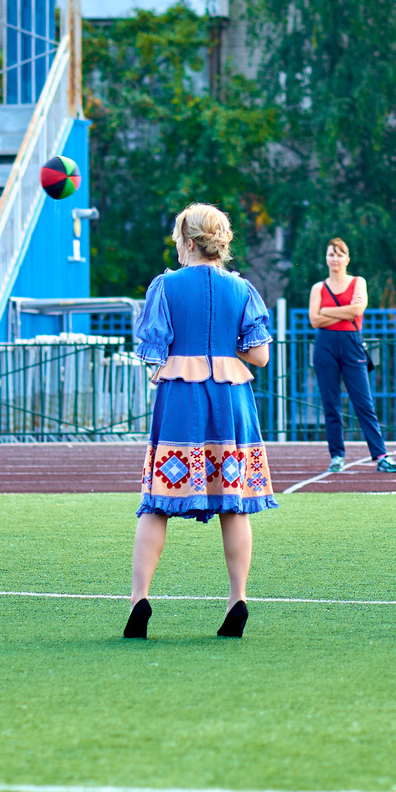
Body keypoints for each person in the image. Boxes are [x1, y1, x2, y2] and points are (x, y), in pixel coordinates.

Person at [124, 203, 276, 641]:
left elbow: (152, 352)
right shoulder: (242, 290)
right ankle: (238, 599)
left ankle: (140, 598)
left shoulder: (165, 287)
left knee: (157, 502)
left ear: (188, 242)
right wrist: (224, 348)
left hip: (181, 400)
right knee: (234, 503)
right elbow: (260, 355)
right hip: (230, 401)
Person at [305, 236, 396, 476]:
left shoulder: (358, 282)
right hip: (325, 345)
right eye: (331, 254)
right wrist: (341, 314)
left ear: (347, 258)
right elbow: (314, 320)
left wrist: (327, 311)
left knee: (363, 402)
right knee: (331, 404)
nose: (334, 258)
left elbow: (358, 309)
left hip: (352, 343)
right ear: (326, 258)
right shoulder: (319, 287)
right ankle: (337, 456)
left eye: (339, 254)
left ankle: (381, 456)